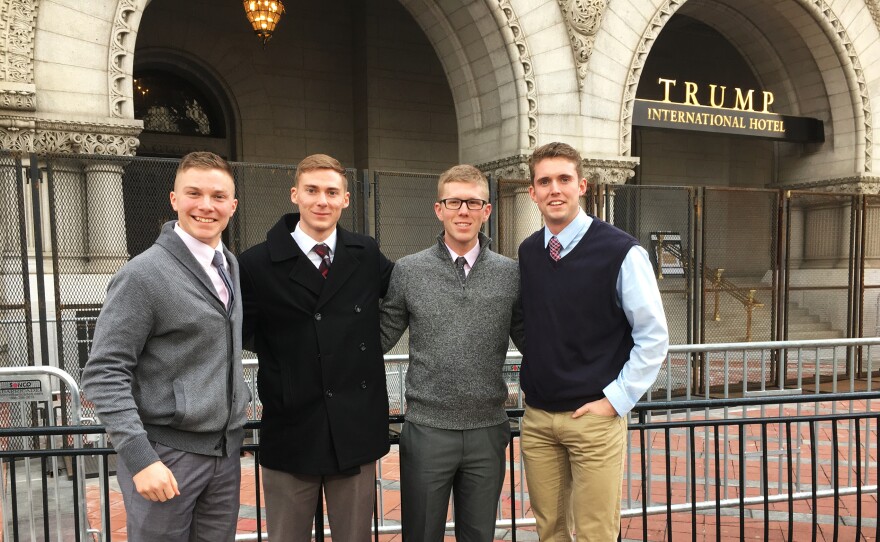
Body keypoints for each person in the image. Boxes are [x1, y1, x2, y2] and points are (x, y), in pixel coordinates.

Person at [82, 151, 250, 542]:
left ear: (233, 206)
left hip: (222, 458)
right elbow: (104, 372)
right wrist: (141, 459)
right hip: (165, 456)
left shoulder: (228, 265)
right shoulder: (143, 274)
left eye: (218, 196)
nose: (206, 205)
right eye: (194, 193)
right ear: (174, 200)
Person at [518, 142, 669, 541]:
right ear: (532, 192)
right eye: (544, 181)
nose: (555, 189)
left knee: (594, 533)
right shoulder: (530, 252)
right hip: (538, 420)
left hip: (593, 419)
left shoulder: (621, 251)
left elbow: (653, 336)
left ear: (582, 185)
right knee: (549, 530)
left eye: (564, 179)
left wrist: (615, 401)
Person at [238, 154, 393, 542]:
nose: (321, 200)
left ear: (345, 200)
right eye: (312, 190)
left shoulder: (366, 253)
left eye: (331, 192)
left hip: (355, 429)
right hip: (292, 429)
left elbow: (406, 297)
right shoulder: (256, 263)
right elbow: (240, 332)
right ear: (295, 195)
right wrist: (291, 361)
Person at [380, 164, 523, 541]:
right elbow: (378, 337)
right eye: (454, 202)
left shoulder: (511, 274)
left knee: (479, 535)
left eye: (473, 202)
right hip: (427, 429)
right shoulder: (408, 270)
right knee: (421, 533)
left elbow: (535, 340)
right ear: (438, 209)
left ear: (487, 210)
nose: (463, 211)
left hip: (487, 429)